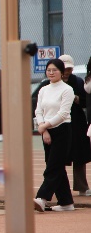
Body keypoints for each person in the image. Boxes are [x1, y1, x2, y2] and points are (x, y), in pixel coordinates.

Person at [33, 59, 75, 213]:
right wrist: (43, 129)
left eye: (55, 70)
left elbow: (63, 113)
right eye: (49, 70)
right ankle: (66, 202)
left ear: (62, 72)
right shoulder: (43, 89)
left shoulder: (67, 89)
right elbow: (38, 111)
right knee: (56, 166)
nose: (51, 73)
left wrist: (45, 126)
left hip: (62, 129)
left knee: (53, 166)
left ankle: (42, 198)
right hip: (46, 130)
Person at [58, 54, 91, 197]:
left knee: (79, 155)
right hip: (58, 122)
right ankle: (58, 187)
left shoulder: (78, 81)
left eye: (69, 69)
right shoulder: (51, 83)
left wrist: (77, 99)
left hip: (76, 122)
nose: (67, 72)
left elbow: (86, 101)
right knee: (58, 156)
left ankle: (82, 186)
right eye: (64, 69)